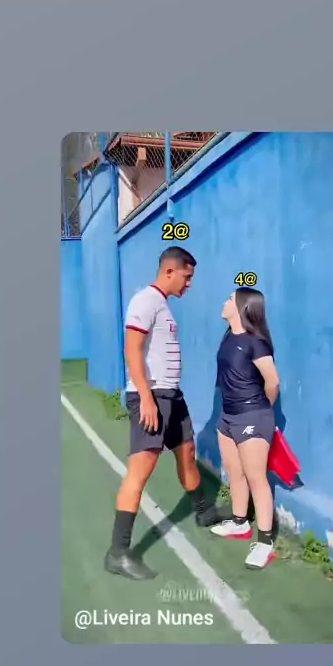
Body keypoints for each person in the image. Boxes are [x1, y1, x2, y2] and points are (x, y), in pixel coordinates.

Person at [105, 246, 224, 580]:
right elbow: (132, 349)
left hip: (172, 396)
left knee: (187, 453)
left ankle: (203, 511)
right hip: (152, 396)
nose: (189, 284)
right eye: (187, 277)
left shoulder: (162, 305)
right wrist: (146, 398)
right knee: (140, 472)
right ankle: (118, 553)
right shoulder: (145, 300)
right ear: (170, 271)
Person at [209, 287, 280, 569]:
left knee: (256, 478)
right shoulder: (228, 337)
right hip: (228, 416)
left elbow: (272, 381)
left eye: (230, 298)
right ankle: (240, 523)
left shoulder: (256, 343)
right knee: (235, 474)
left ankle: (265, 543)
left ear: (241, 307)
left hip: (253, 415)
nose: (225, 301)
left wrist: (261, 411)